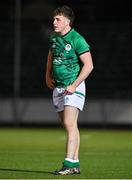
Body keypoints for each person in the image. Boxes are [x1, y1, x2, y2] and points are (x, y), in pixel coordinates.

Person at [45, 5, 94, 175]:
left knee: (69, 123)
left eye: (57, 19)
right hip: (58, 87)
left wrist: (74, 85)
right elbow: (51, 56)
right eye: (54, 19)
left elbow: (89, 65)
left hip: (73, 87)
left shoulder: (77, 39)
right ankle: (75, 164)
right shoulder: (54, 38)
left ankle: (67, 165)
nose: (54, 22)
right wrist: (47, 75)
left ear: (67, 21)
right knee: (70, 126)